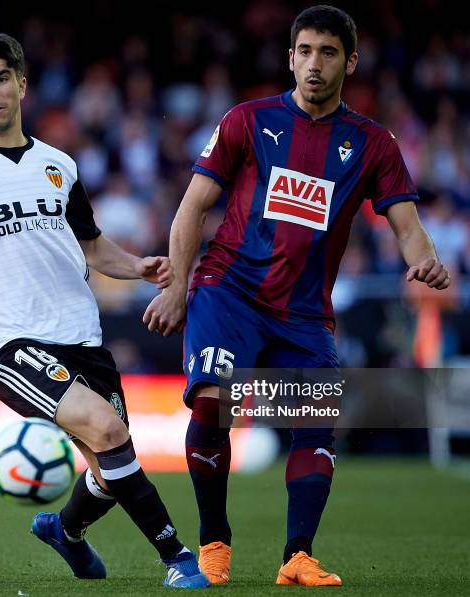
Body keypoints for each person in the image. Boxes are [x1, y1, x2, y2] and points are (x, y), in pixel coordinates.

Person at [0, 32, 209, 589]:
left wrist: (139, 266)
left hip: (81, 333)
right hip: (6, 341)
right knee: (107, 430)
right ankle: (178, 559)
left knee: (110, 468)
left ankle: (66, 531)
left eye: (1, 79)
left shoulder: (59, 165)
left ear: (21, 85)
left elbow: (93, 246)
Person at [144, 5, 450, 587]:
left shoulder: (372, 143)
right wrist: (177, 288)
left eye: (328, 52)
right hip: (228, 289)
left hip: (305, 312)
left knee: (314, 424)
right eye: (304, 51)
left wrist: (424, 262)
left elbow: (408, 227)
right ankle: (213, 546)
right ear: (290, 57)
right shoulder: (247, 120)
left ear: (350, 62)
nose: (314, 64)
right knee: (212, 402)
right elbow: (193, 206)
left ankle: (297, 556)